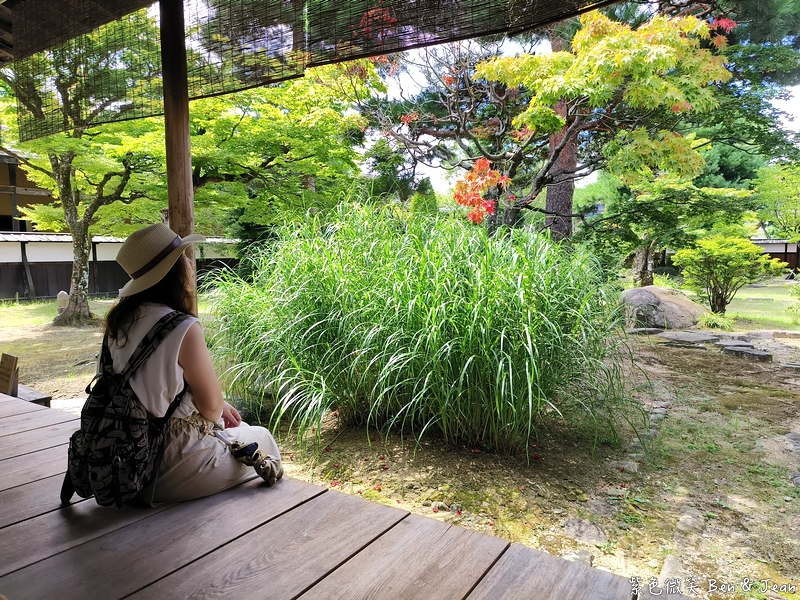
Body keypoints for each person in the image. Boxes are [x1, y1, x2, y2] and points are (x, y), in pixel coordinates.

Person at [106, 222, 283, 503]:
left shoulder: (118, 323)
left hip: (122, 461)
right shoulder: (182, 326)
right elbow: (211, 411)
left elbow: (148, 385)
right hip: (168, 465)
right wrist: (217, 405)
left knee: (241, 433)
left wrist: (215, 405)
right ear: (173, 271)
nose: (191, 263)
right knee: (261, 437)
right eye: (185, 257)